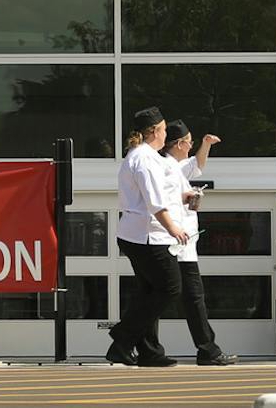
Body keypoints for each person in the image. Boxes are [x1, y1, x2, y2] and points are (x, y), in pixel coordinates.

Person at [105, 106, 187, 368]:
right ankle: (123, 336)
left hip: (139, 234)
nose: (166, 135)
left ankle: (149, 351)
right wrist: (173, 228)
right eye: (163, 130)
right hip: (146, 236)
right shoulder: (144, 159)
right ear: (154, 131)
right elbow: (154, 201)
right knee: (170, 287)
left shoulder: (143, 156)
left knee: (149, 291)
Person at [160, 121, 232, 366]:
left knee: (161, 295)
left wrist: (205, 145)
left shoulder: (176, 166)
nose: (191, 146)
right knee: (189, 297)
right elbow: (161, 200)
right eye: (189, 142)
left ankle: (145, 346)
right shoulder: (167, 168)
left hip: (182, 242)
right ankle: (207, 349)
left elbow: (197, 165)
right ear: (179, 144)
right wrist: (188, 196)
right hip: (175, 243)